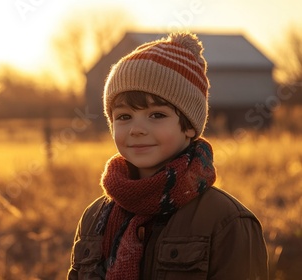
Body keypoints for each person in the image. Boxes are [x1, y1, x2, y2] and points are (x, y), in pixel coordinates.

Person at [67, 32, 269, 279]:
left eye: (157, 115)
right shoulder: (94, 218)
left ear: (189, 126)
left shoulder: (226, 221)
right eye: (123, 117)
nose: (137, 129)